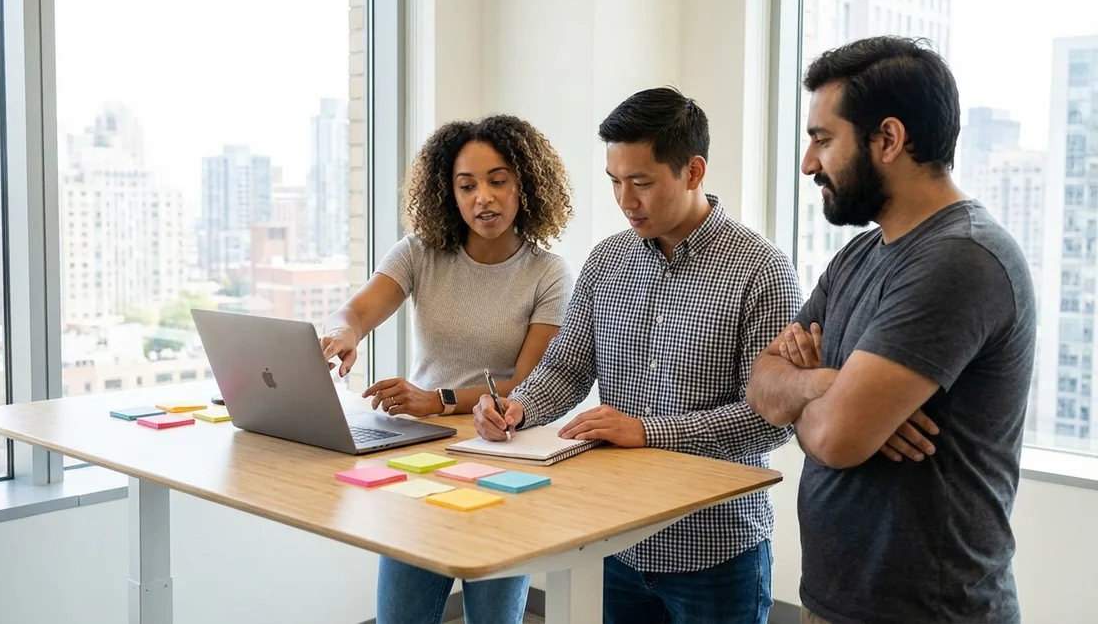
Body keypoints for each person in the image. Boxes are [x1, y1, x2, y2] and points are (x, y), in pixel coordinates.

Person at [473, 87, 803, 624]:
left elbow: (770, 421)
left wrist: (649, 431)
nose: (625, 201)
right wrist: (519, 407)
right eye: (615, 181)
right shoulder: (606, 260)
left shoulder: (761, 270)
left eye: (641, 183)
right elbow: (565, 369)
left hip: (715, 551)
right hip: (615, 542)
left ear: (693, 171)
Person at [745, 36, 1036, 624]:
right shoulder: (859, 255)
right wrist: (828, 385)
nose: (808, 163)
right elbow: (761, 385)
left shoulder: (960, 259)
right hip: (834, 601)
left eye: (823, 140)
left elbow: (837, 439)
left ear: (888, 139)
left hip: (930, 611)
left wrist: (825, 405)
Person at [321, 114, 574, 624]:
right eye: (467, 185)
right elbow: (356, 312)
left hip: (504, 455)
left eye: (498, 181)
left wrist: (435, 401)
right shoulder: (419, 253)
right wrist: (343, 333)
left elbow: (526, 384)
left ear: (525, 184)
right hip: (422, 454)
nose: (484, 198)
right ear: (449, 193)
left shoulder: (548, 273)